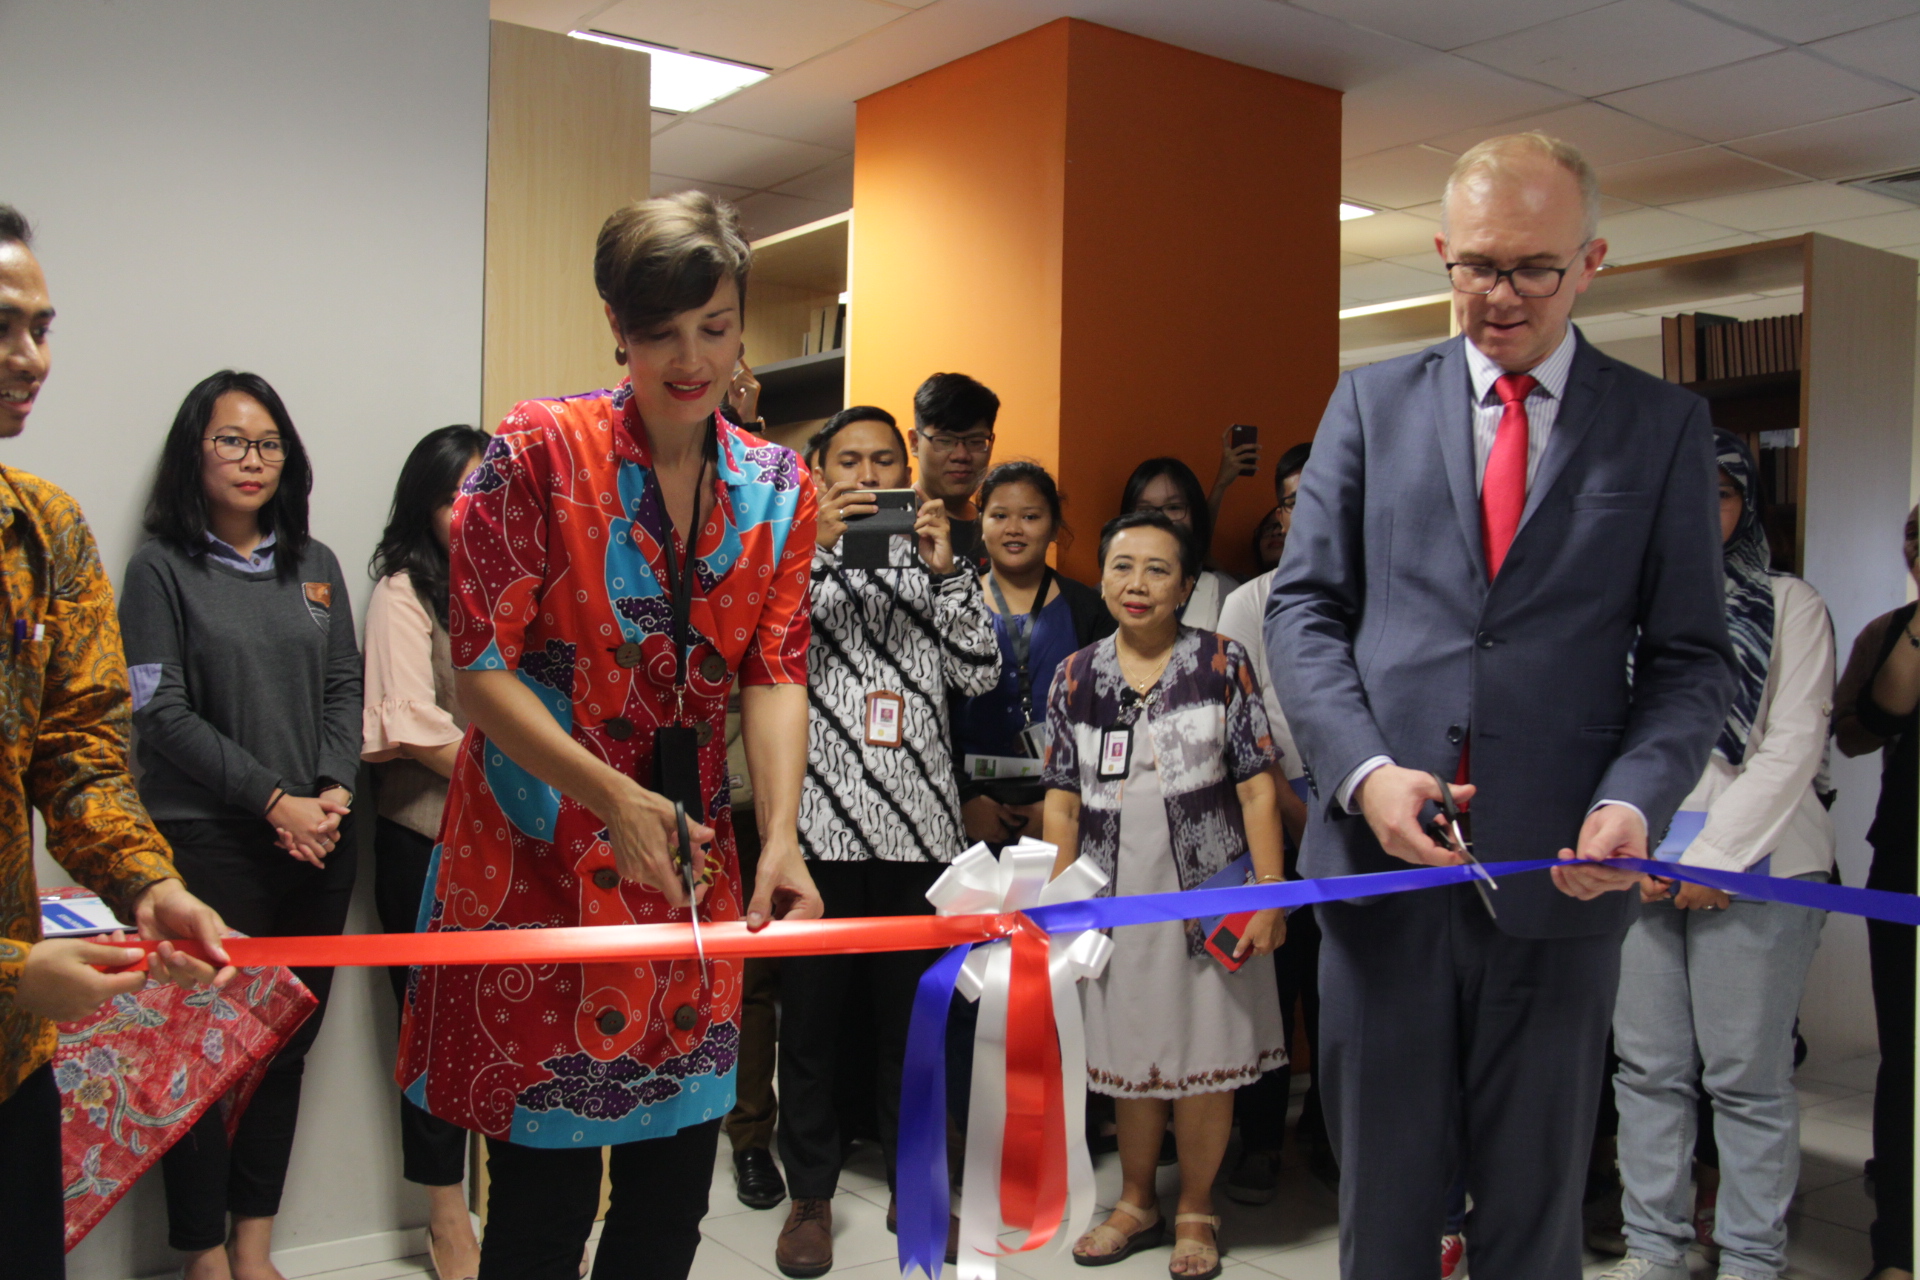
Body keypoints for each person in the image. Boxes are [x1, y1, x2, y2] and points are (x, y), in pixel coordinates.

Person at [1268, 131, 1735, 1280]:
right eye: (1475, 265)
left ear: (1593, 262)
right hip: (1384, 883)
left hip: (1564, 876)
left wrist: (1635, 799)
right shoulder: (1368, 403)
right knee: (1381, 1215)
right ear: (1441, 253)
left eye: (1533, 266)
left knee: (1534, 1220)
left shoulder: (1661, 426)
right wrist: (1367, 772)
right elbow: (1304, 612)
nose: (1500, 296)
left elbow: (1689, 659)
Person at [395, 191, 822, 1280]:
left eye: (715, 327)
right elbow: (479, 670)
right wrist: (614, 796)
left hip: (686, 867)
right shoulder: (536, 449)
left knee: (669, 1203)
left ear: (740, 323)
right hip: (540, 853)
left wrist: (779, 832)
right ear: (616, 329)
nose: (691, 357)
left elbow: (774, 670)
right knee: (538, 1215)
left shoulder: (778, 487)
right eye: (661, 331)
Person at [0, 203, 232, 1280]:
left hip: (10, 1058)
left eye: (43, 326)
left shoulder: (46, 529)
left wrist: (149, 884)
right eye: (4, 326)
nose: (31, 357)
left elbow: (81, 752)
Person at [120, 369, 363, 1280]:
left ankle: (257, 1248)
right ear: (196, 452)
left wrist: (332, 790)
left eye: (268, 444)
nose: (253, 459)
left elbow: (345, 685)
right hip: (210, 844)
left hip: (323, 841)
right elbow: (163, 715)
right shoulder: (158, 570)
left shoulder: (318, 565)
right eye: (232, 441)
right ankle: (205, 1255)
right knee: (196, 1055)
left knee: (284, 1053)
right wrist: (274, 800)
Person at [1601, 432, 1835, 1280]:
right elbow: (1610, 735)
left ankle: (1748, 1257)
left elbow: (1792, 745)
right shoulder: (1627, 603)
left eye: (1722, 495)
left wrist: (1716, 859)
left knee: (1745, 1075)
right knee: (1649, 1068)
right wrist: (1646, 848)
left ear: (1745, 506)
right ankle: (1656, 1249)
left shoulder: (1791, 602)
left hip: (1763, 864)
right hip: (1644, 861)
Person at [775, 404, 999, 1277]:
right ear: (820, 472)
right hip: (820, 831)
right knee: (815, 1027)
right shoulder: (788, 556)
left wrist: (946, 575)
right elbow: (763, 653)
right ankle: (811, 1199)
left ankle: (920, 1184)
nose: (868, 477)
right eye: (849, 462)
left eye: (881, 460)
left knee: (916, 1028)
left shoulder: (943, 555)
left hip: (921, 831)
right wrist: (811, 546)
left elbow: (979, 672)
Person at [1044, 510, 1288, 1280]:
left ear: (1187, 585)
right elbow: (1061, 804)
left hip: (1212, 897)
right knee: (1129, 1051)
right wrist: (1058, 910)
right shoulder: (1076, 676)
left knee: (1207, 1052)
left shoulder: (1221, 662)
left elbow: (1256, 790)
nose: (1136, 584)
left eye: (1156, 569)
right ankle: (1137, 1200)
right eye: (1121, 566)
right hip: (1113, 900)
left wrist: (1271, 893)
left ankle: (1196, 1208)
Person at [361, 424, 491, 1280]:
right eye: (455, 495)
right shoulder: (402, 591)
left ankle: (513, 1215)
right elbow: (409, 724)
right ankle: (448, 1222)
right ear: (425, 503)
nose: (470, 510)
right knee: (436, 1042)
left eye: (484, 492)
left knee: (508, 1034)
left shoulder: (515, 583)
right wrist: (524, 779)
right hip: (428, 843)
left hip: (513, 854)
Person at [1213, 442, 1322, 1205]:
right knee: (1272, 987)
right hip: (1276, 822)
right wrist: (1295, 811)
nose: (1306, 505)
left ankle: (1330, 1134)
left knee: (1345, 991)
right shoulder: (1250, 600)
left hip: (1370, 824)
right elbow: (1246, 724)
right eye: (1291, 496)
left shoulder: (1383, 587)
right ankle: (1259, 1140)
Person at [1835, 504, 1920, 1280]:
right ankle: (1897, 1247)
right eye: (1916, 541)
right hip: (1905, 863)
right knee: (1908, 1059)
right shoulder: (1887, 633)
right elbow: (1853, 735)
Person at [953, 460, 1114, 848]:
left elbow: (1110, 720)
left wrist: (1061, 807)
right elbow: (928, 714)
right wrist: (964, 801)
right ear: (982, 523)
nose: (1014, 529)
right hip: (966, 812)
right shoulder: (952, 602)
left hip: (1067, 812)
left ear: (1054, 526)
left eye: (1030, 516)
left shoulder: (1090, 610)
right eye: (999, 515)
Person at [1119, 458, 1237, 630]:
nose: (1161, 519)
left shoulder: (1225, 592)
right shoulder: (1106, 593)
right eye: (1145, 510)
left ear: (1195, 514)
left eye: (1174, 507)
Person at [908, 372, 1000, 576]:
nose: (961, 455)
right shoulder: (892, 524)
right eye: (944, 440)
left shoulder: (997, 526)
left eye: (976, 441)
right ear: (914, 443)